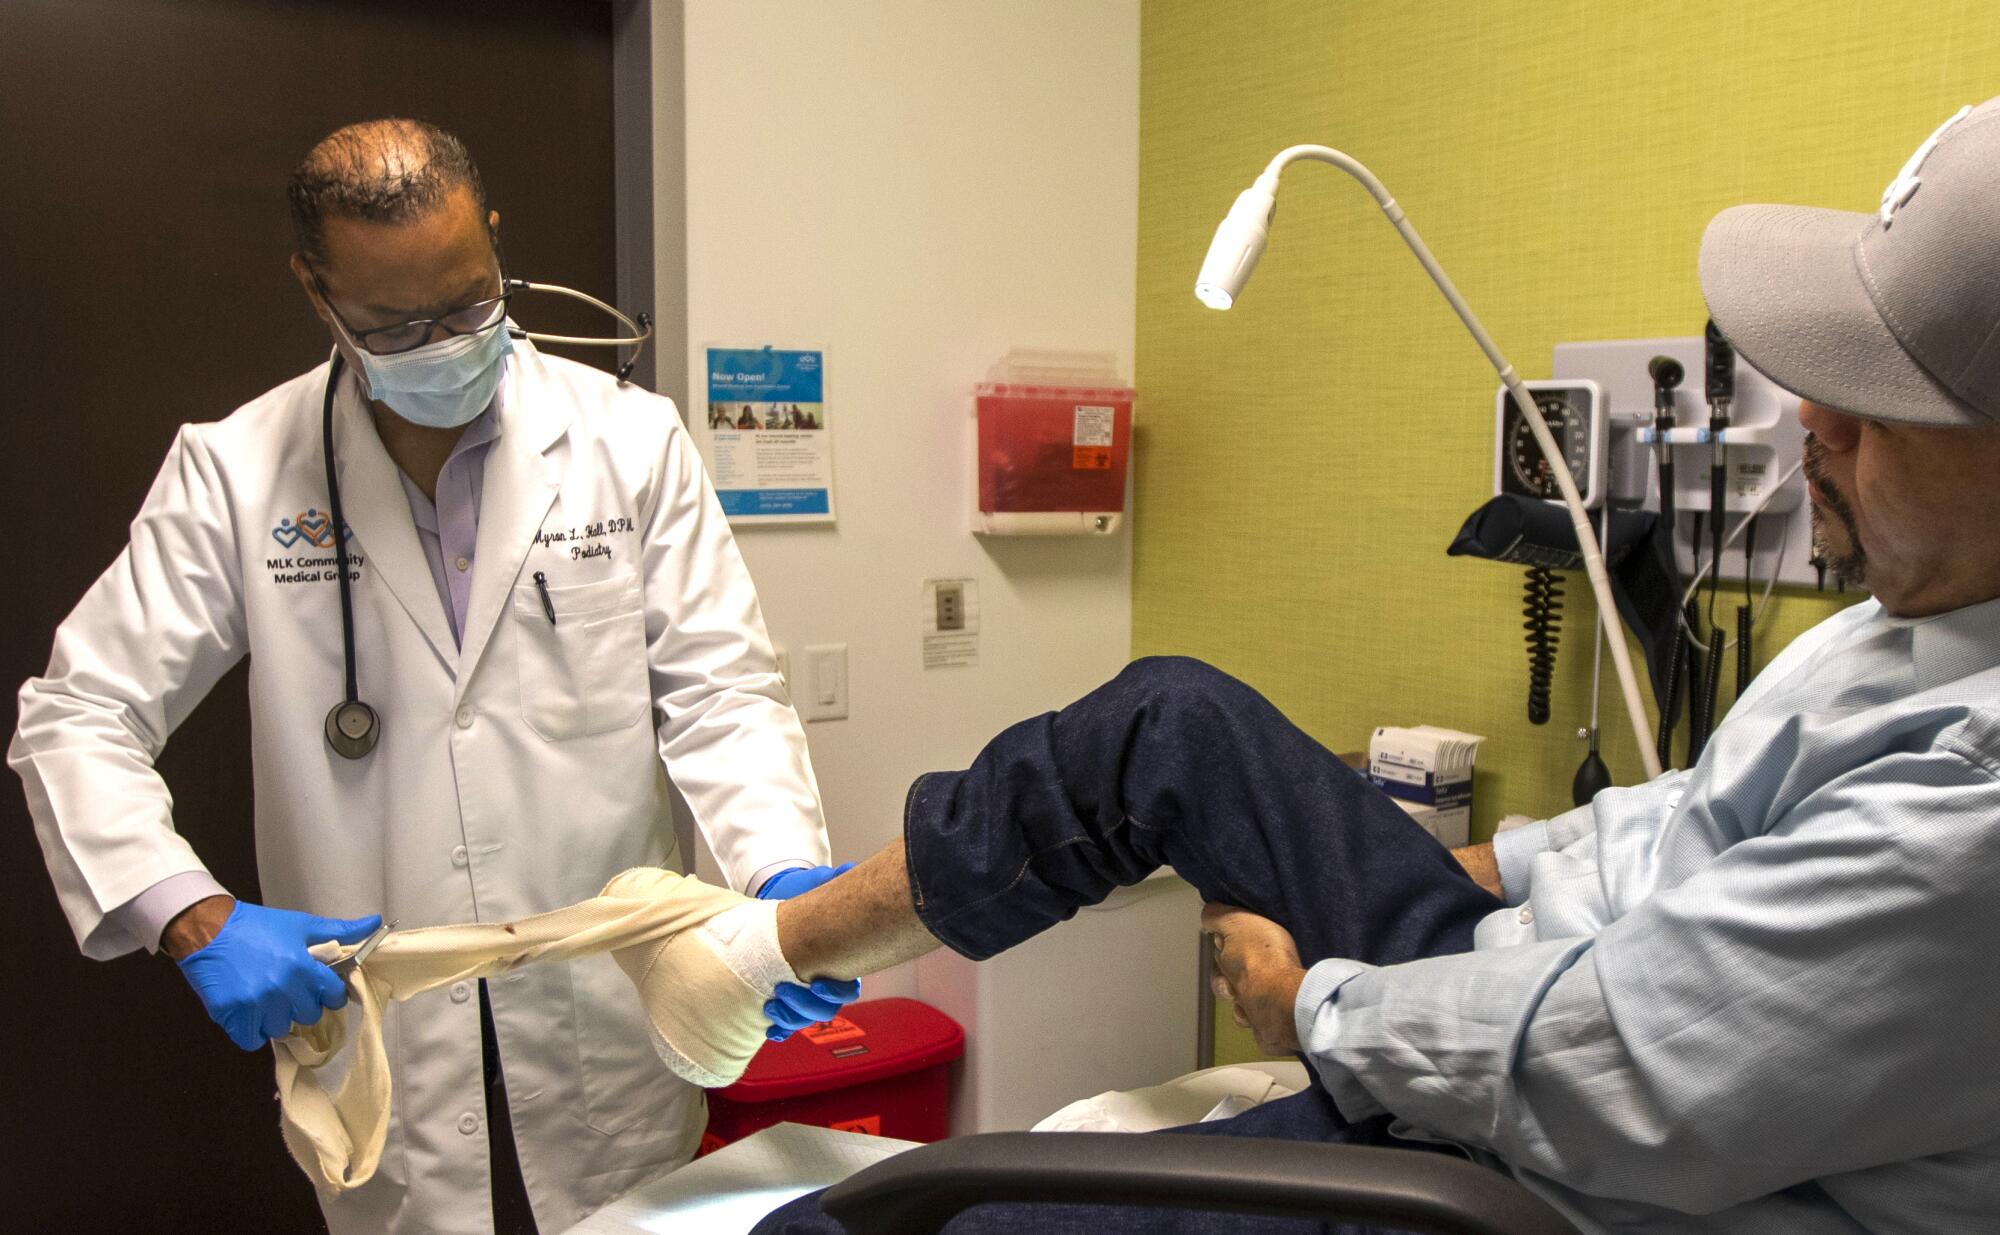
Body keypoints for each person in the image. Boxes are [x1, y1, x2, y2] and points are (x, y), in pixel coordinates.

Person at [744, 98, 2000, 1233]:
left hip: (1570, 1173)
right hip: (1524, 984)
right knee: (1169, 717)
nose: (1809, 423)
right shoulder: (1906, 624)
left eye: (1879, 411)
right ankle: (774, 948)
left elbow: (1619, 1070)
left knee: (879, 1229)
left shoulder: (1973, 799)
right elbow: (1682, 816)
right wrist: (1488, 859)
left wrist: (1314, 1009)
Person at [11, 119, 857, 1235]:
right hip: (381, 1038)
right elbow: (78, 713)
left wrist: (780, 872)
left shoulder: (628, 444)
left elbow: (722, 694)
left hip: (604, 1025)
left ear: (493, 244)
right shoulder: (234, 473)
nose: (447, 341)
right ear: (317, 292)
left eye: (468, 301)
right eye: (399, 323)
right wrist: (195, 916)